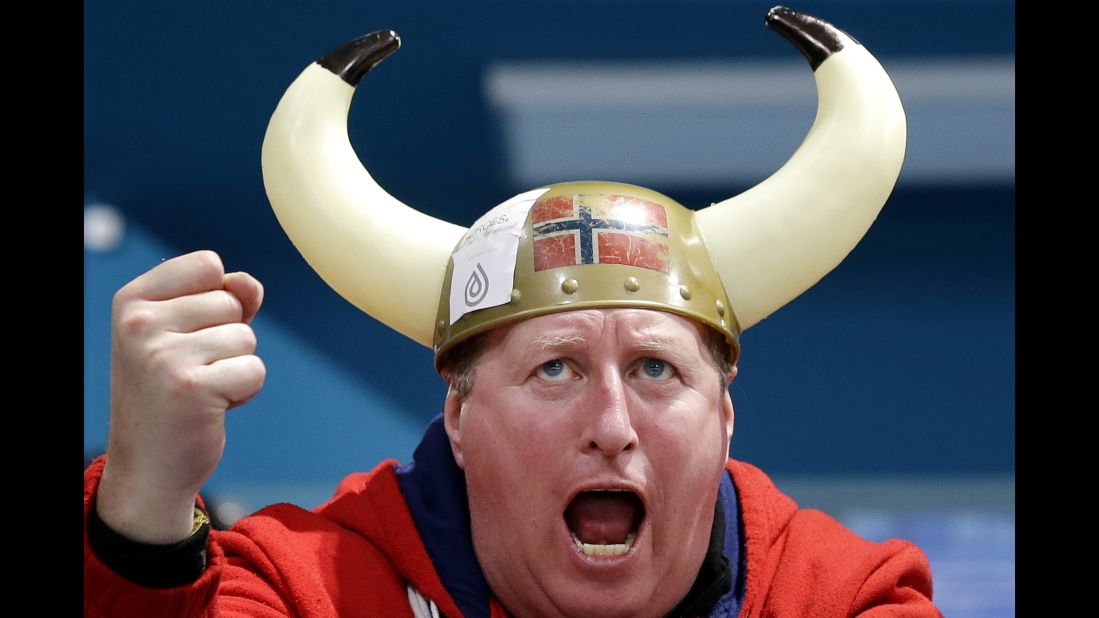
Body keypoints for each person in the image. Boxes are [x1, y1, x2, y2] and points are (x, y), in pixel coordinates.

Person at [84, 7, 941, 617]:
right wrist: (145, 501)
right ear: (459, 416)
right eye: (555, 368)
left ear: (721, 417)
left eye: (655, 368)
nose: (612, 425)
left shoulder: (841, 599)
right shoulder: (310, 591)